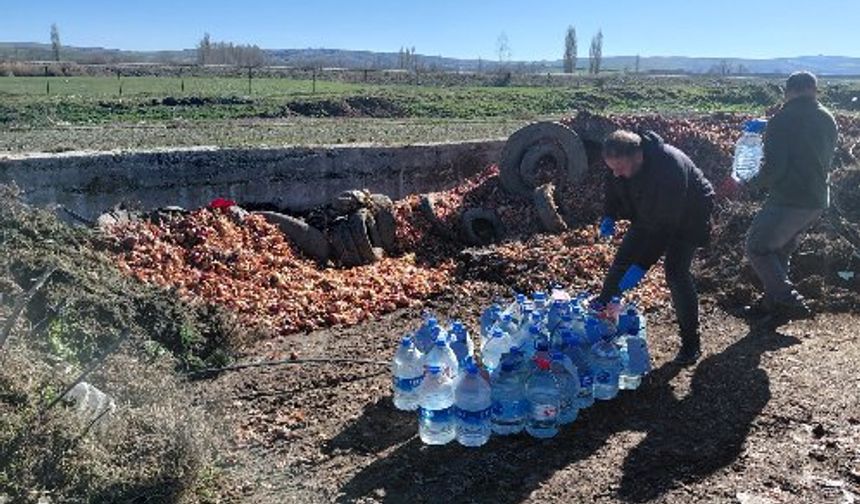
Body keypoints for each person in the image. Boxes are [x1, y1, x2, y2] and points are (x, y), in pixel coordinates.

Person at [594, 129, 715, 365]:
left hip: (689, 217)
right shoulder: (620, 163)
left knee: (676, 273)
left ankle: (691, 343)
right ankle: (602, 316)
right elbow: (613, 187)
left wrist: (642, 265)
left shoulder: (669, 167)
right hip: (649, 213)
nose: (616, 173)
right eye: (612, 168)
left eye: (620, 168)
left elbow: (664, 227)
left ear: (638, 156)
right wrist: (609, 215)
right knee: (622, 261)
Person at [742, 71, 839, 327]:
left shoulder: (783, 120)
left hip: (789, 198)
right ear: (814, 90)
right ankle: (772, 304)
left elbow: (775, 168)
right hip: (817, 199)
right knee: (779, 250)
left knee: (757, 247)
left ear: (788, 91)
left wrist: (752, 182)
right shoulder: (827, 117)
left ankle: (789, 299)